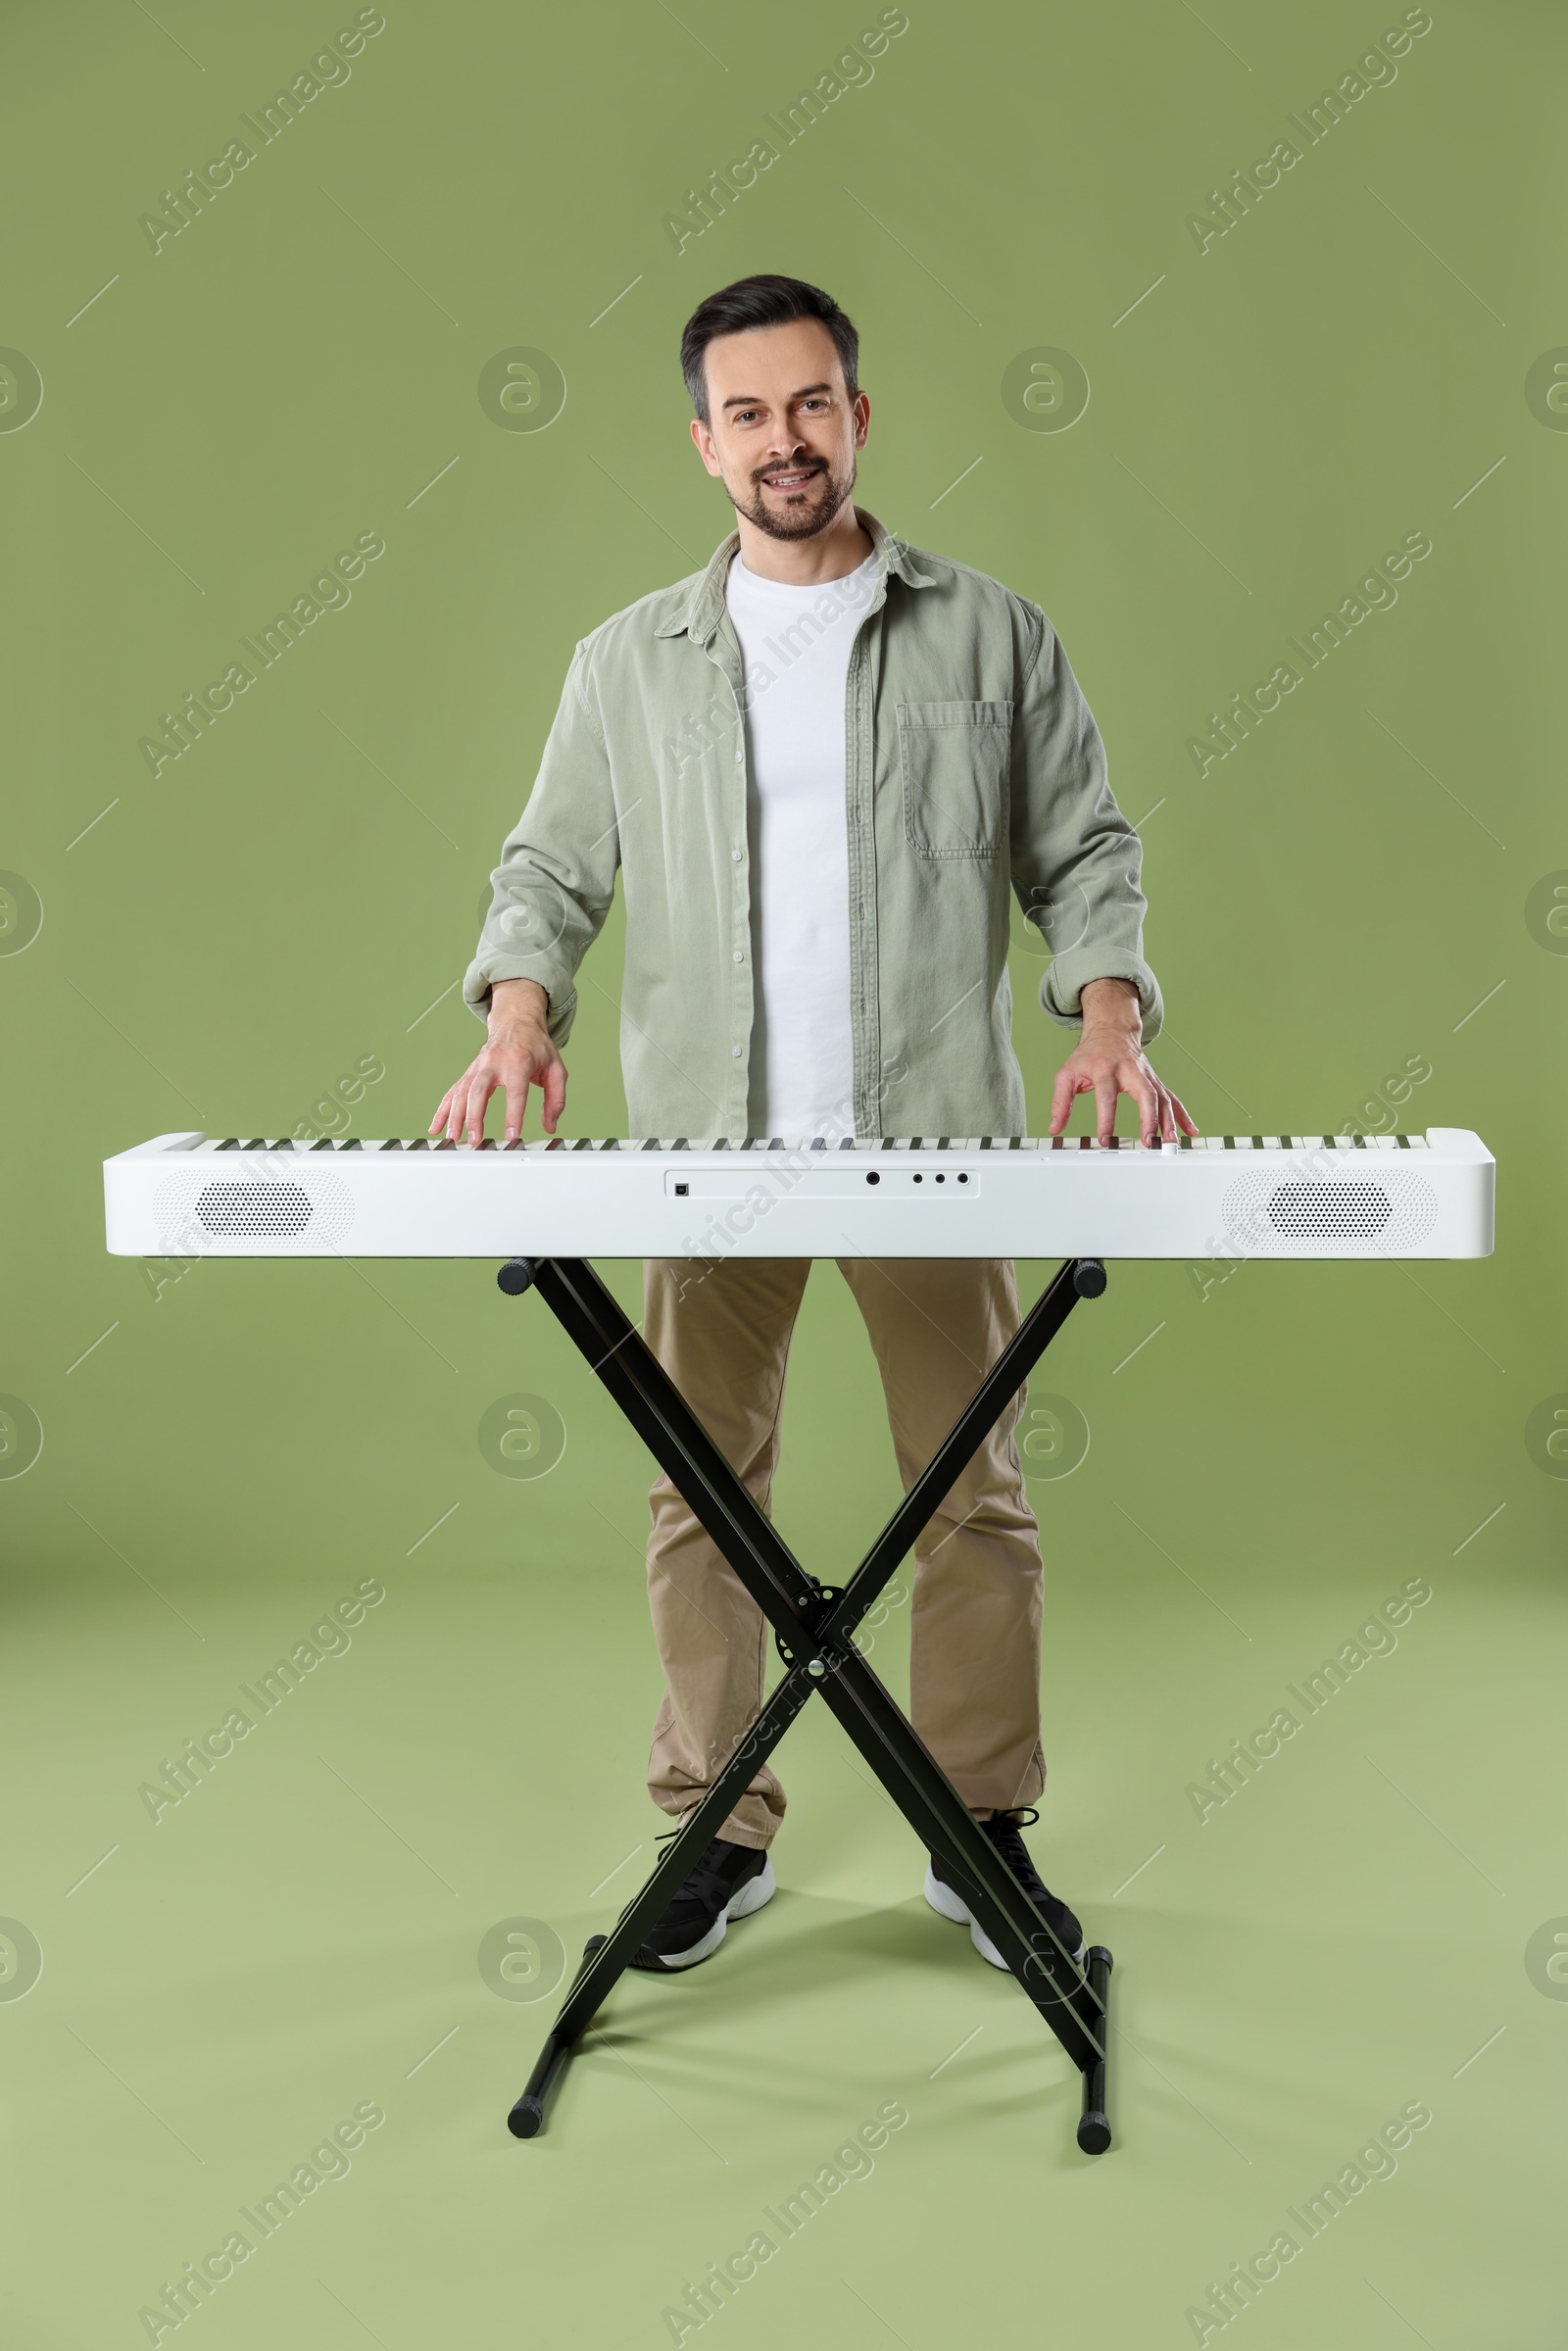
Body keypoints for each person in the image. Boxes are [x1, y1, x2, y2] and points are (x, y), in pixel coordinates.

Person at [434, 273, 1195, 1976]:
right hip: (710, 1149)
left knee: (973, 1495)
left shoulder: (992, 634)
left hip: (937, 1139)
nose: (788, 440)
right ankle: (717, 1830)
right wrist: (516, 1015)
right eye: (751, 414)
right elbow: (549, 872)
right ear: (704, 443)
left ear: (861, 416)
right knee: (702, 1498)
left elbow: (1086, 855)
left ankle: (977, 1832)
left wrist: (1114, 1021)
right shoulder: (626, 663)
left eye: (815, 403)